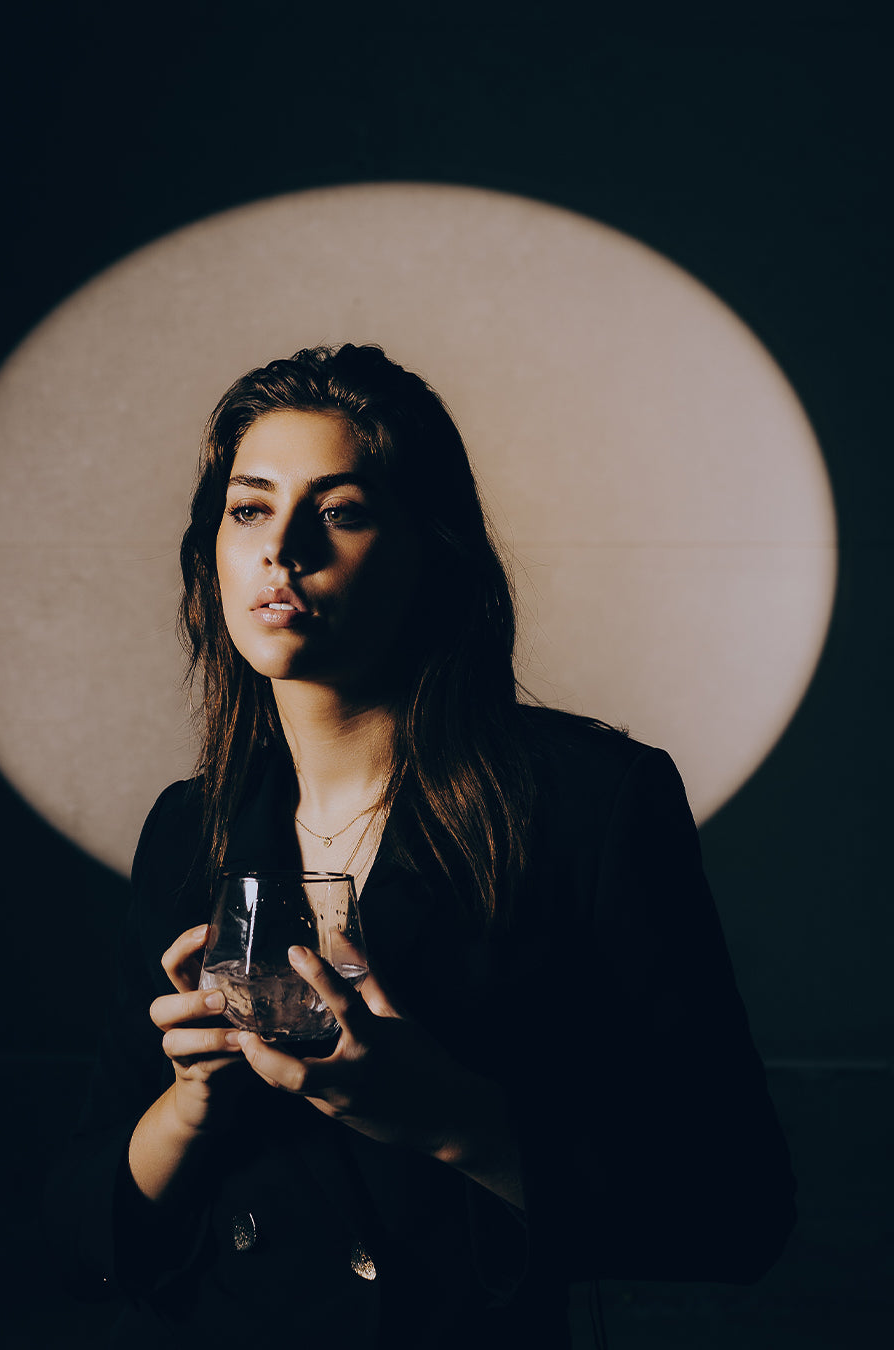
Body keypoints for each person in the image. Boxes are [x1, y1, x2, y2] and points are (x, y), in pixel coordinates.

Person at [46, 343, 796, 1348]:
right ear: (210, 550)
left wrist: (449, 1117)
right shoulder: (193, 827)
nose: (285, 548)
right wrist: (189, 1103)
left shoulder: (585, 803)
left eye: (342, 510)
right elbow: (78, 1236)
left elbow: (735, 1214)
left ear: (429, 550)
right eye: (249, 508)